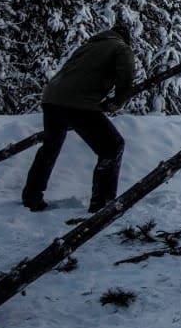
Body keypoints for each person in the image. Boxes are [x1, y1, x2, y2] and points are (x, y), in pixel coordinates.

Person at [21, 22, 135, 213]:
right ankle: (103, 204)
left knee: (50, 148)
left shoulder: (88, 46)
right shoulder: (121, 48)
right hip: (78, 103)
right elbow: (126, 76)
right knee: (112, 146)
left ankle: (31, 196)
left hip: (51, 99)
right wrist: (118, 101)